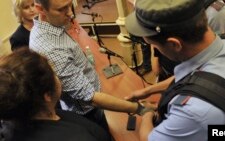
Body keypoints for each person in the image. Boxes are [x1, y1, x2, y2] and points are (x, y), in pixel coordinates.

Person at [125, 0, 225, 141]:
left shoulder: (193, 114)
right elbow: (200, 79)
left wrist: (147, 114)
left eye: (154, 45)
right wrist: (148, 90)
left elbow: (148, 139)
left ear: (174, 44)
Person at [29, 0, 154, 136]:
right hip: (88, 112)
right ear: (40, 9)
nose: (71, 13)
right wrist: (139, 108)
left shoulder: (51, 26)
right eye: (62, 9)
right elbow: (90, 97)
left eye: (69, 5)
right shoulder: (51, 50)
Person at [0, 48, 112, 141]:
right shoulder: (79, 138)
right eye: (53, 73)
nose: (57, 77)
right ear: (47, 95)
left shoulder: (11, 122)